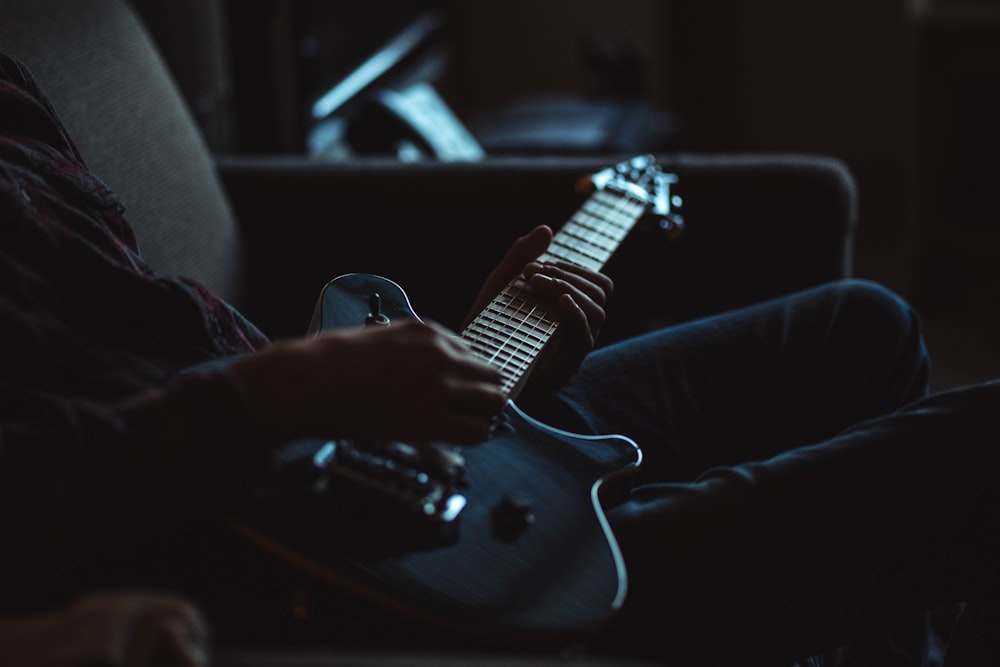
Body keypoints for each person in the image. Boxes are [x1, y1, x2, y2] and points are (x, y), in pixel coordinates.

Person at [2, 48, 997, 666]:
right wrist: (280, 393)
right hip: (307, 554)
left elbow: (141, 329)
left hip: (335, 437)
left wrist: (482, 363)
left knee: (866, 325)